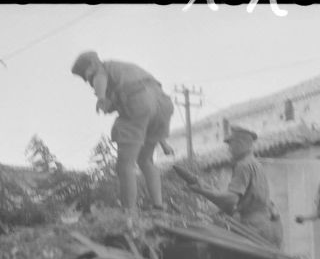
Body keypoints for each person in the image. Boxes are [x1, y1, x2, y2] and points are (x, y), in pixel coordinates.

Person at [71, 51, 174, 211]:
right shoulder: (124, 71)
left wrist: (101, 98)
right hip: (163, 104)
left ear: (91, 65)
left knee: (125, 165)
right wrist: (163, 142)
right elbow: (148, 111)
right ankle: (158, 205)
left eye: (87, 78)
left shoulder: (101, 68)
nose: (88, 82)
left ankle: (129, 210)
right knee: (146, 161)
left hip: (139, 102)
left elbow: (100, 77)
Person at [189, 126, 283, 248]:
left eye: (231, 144)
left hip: (252, 227)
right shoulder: (256, 165)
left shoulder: (243, 166)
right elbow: (239, 203)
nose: (229, 149)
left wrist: (202, 190)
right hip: (267, 225)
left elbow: (230, 200)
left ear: (241, 143)